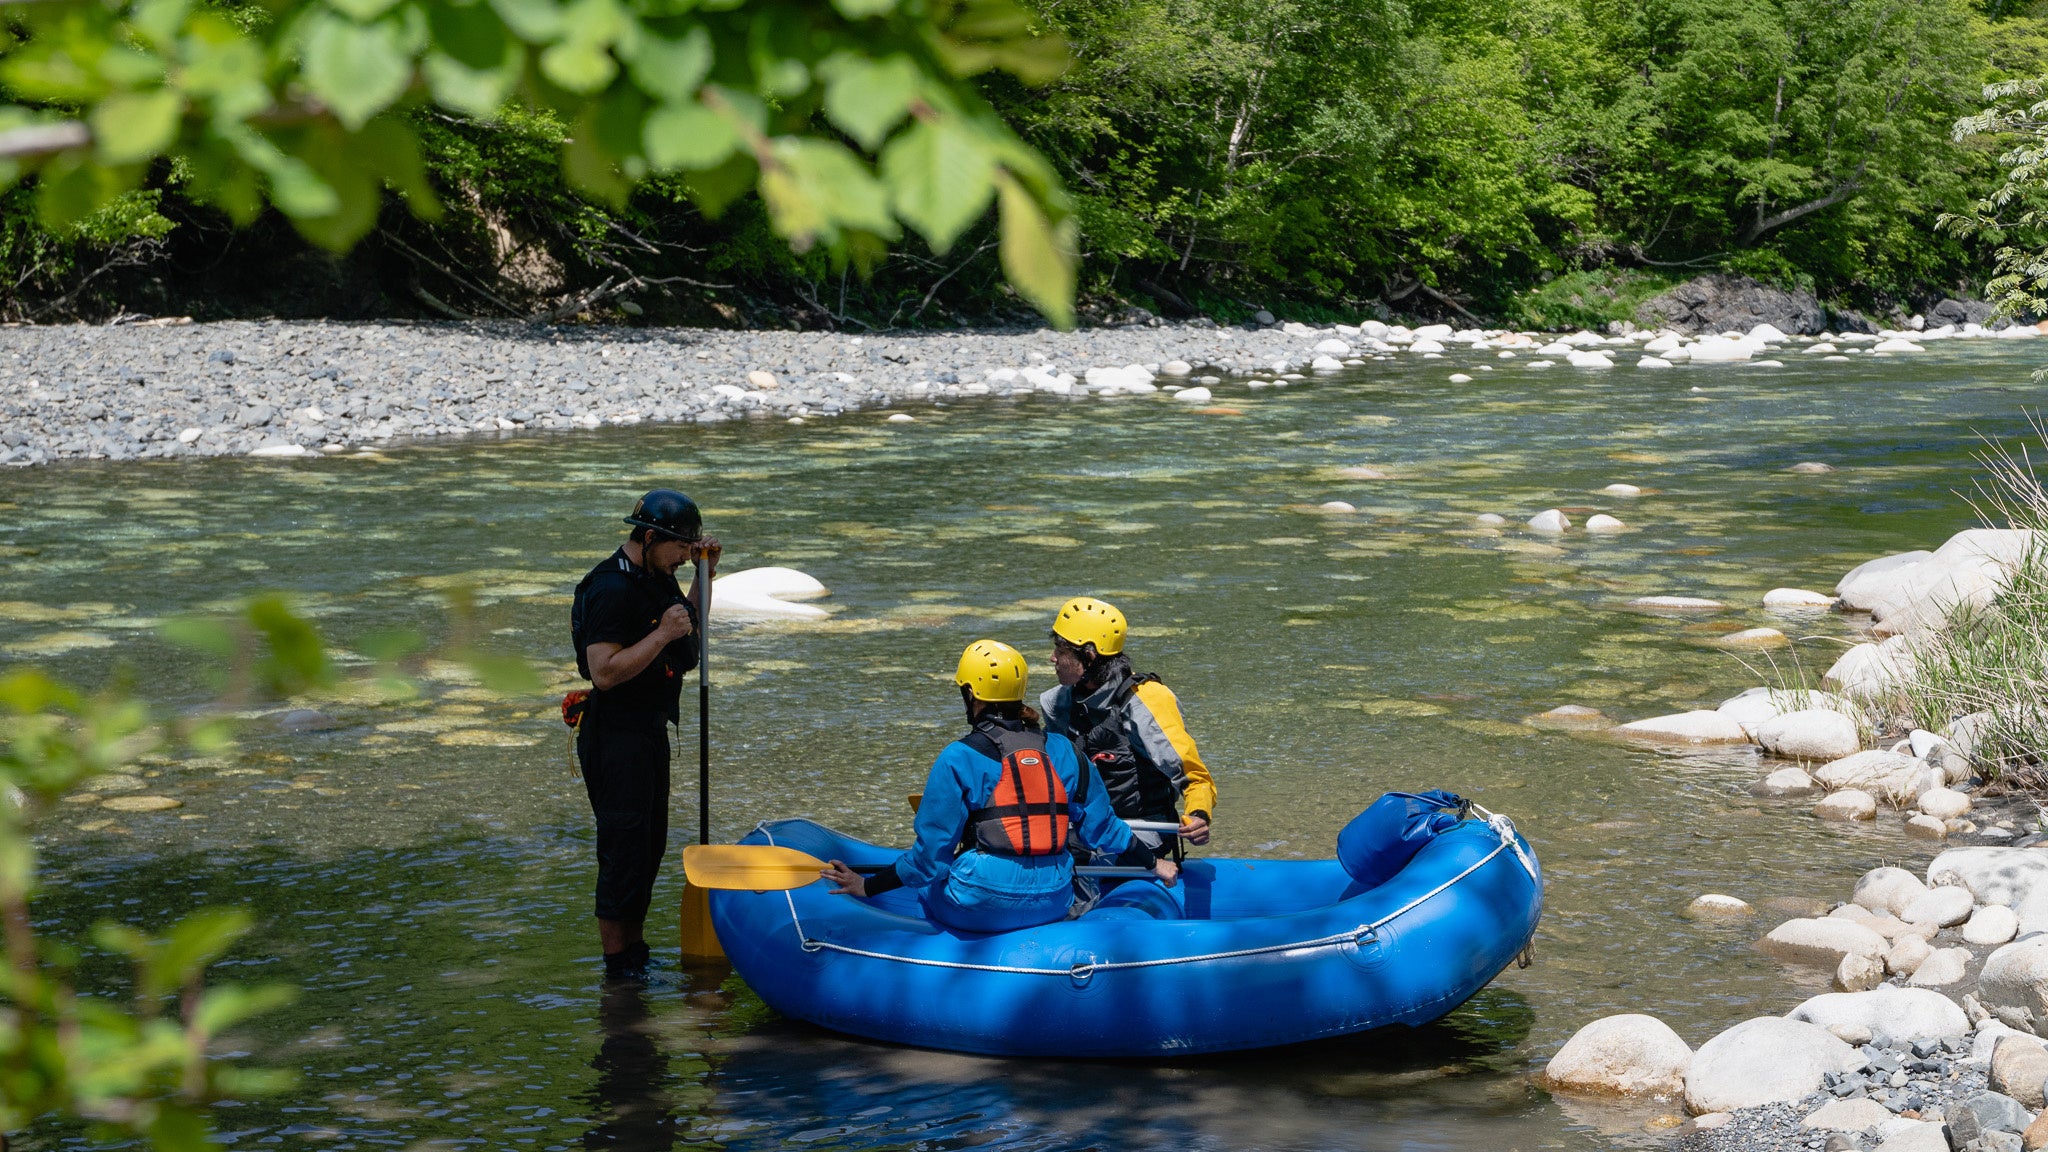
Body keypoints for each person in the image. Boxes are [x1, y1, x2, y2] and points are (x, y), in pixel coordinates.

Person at [820, 640, 1178, 932]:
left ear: (972, 695)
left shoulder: (958, 757)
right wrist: (1154, 864)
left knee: (933, 883)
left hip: (979, 903)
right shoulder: (1065, 751)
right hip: (1053, 899)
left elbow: (929, 859)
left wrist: (867, 886)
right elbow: (1104, 828)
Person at [570, 488, 721, 981]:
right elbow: (604, 673)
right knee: (623, 849)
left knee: (649, 846)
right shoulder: (611, 588)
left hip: (650, 730)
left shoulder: (658, 577)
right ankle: (619, 969)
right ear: (650, 537)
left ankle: (636, 954)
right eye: (681, 548)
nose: (684, 557)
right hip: (615, 736)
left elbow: (688, 631)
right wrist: (660, 635)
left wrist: (704, 575)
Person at [1040, 596, 1216, 858]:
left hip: (1141, 830)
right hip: (1084, 830)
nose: (1053, 658)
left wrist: (1199, 815)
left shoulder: (1147, 701)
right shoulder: (1058, 703)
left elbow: (1194, 776)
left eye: (1061, 650)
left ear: (1089, 656)